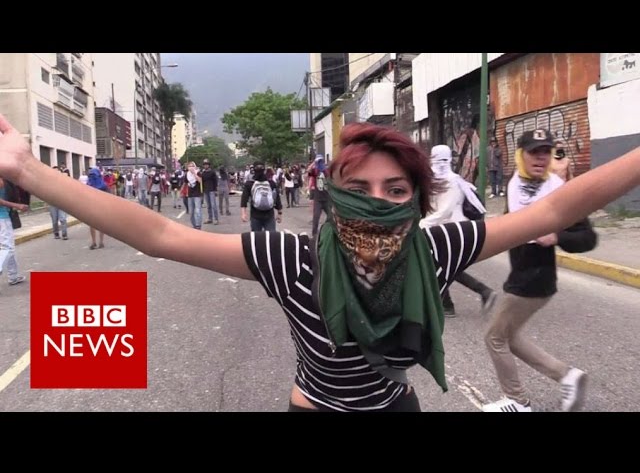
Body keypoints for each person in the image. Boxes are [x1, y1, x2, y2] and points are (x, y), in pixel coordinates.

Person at [1, 114, 639, 411]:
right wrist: (28, 171)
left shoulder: (433, 250)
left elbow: (557, 209)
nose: (378, 203)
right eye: (359, 189)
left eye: (396, 190)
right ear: (332, 196)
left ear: (418, 202)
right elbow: (161, 234)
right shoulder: (292, 258)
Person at [482, 129, 598, 413]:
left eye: (546, 151)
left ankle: (517, 400)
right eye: (534, 152)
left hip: (534, 280)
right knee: (510, 338)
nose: (541, 158)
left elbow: (587, 237)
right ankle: (567, 376)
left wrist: (557, 236)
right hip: (520, 275)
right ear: (521, 155)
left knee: (494, 338)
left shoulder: (559, 190)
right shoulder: (516, 183)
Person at [420, 145, 497, 318]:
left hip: (451, 230)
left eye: (442, 159)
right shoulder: (435, 179)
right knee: (441, 266)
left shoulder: (452, 181)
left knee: (440, 266)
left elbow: (445, 210)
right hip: (440, 229)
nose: (439, 164)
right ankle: (470, 296)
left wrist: (422, 224)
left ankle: (450, 304)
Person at [0, 174, 28, 290]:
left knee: (8, 247)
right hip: (2, 218)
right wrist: (17, 205)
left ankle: (13, 276)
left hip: (4, 217)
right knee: (8, 248)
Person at [240, 161, 282, 232]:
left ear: (254, 170)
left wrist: (243, 214)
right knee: (271, 236)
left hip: (255, 215)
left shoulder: (249, 184)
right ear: (264, 170)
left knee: (256, 237)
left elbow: (244, 199)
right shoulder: (271, 183)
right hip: (269, 215)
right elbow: (277, 199)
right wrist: (279, 213)